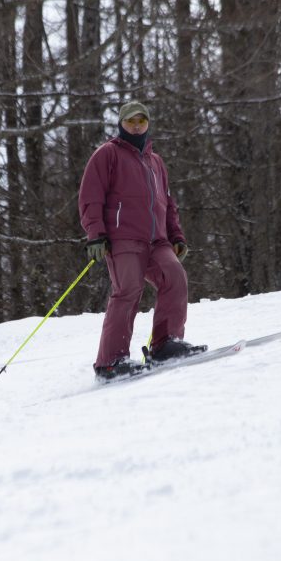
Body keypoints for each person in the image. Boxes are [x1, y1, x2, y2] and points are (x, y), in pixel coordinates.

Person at [78, 101, 202, 379]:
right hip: (123, 239)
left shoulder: (155, 161)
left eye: (141, 121)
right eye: (131, 120)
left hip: (157, 240)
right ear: (121, 123)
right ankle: (111, 361)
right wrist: (95, 234)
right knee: (128, 290)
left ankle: (165, 344)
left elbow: (167, 203)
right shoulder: (107, 155)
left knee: (175, 277)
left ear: (148, 124)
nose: (136, 125)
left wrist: (176, 235)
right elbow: (90, 197)